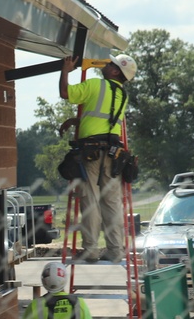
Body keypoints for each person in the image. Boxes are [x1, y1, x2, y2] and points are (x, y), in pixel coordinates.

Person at [59, 53, 137, 263]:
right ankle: (115, 250)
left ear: (115, 71)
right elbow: (103, 120)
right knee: (112, 204)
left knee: (90, 200)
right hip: (113, 154)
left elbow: (66, 93)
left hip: (90, 153)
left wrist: (66, 70)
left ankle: (91, 250)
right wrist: (77, 121)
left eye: (110, 63)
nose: (106, 64)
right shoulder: (122, 94)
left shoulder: (95, 85)